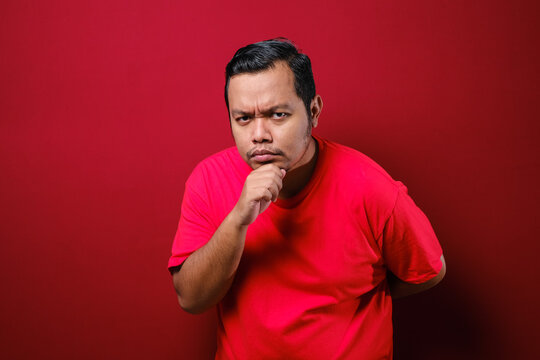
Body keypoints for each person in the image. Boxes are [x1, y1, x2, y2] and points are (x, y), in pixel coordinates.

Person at [168, 38, 446, 359]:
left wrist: (358, 298)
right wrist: (238, 219)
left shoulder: (370, 186)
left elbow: (429, 270)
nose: (259, 134)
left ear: (313, 111)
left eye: (278, 115)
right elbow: (190, 299)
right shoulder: (208, 179)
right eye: (243, 118)